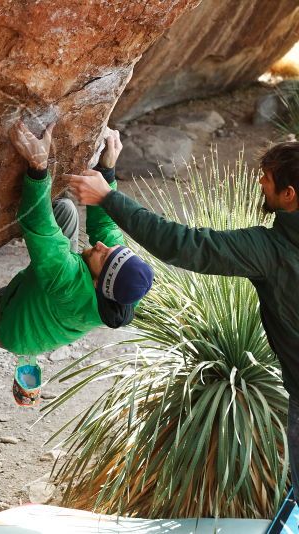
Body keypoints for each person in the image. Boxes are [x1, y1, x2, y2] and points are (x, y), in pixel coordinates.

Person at [67, 141, 299, 487]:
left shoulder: (271, 251)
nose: (260, 185)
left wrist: (108, 197)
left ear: (289, 194)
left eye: (266, 179)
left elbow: (185, 245)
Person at [0, 121, 154, 405]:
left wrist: (38, 169)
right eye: (111, 250)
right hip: (46, 310)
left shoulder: (67, 280)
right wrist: (107, 169)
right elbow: (106, 229)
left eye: (102, 256)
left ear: (98, 283)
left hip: (12, 327)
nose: (100, 246)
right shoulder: (124, 287)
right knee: (64, 210)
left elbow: (39, 227)